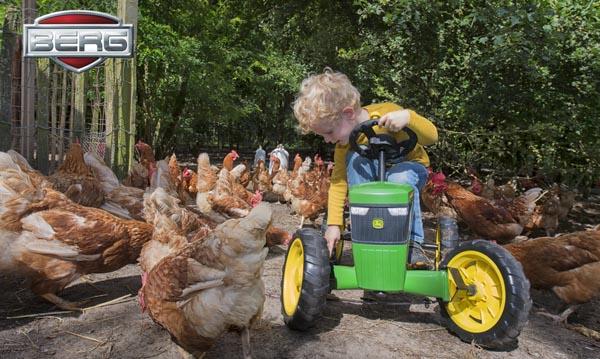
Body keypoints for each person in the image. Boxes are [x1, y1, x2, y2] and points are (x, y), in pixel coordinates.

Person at [292, 68, 438, 267]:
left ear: (348, 113)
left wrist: (408, 118)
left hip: (410, 169)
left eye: (329, 132)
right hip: (373, 175)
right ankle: (369, 233)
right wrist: (334, 224)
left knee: (398, 179)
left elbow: (432, 137)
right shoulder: (344, 145)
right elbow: (338, 182)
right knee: (355, 160)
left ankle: (413, 244)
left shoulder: (387, 113)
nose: (327, 140)